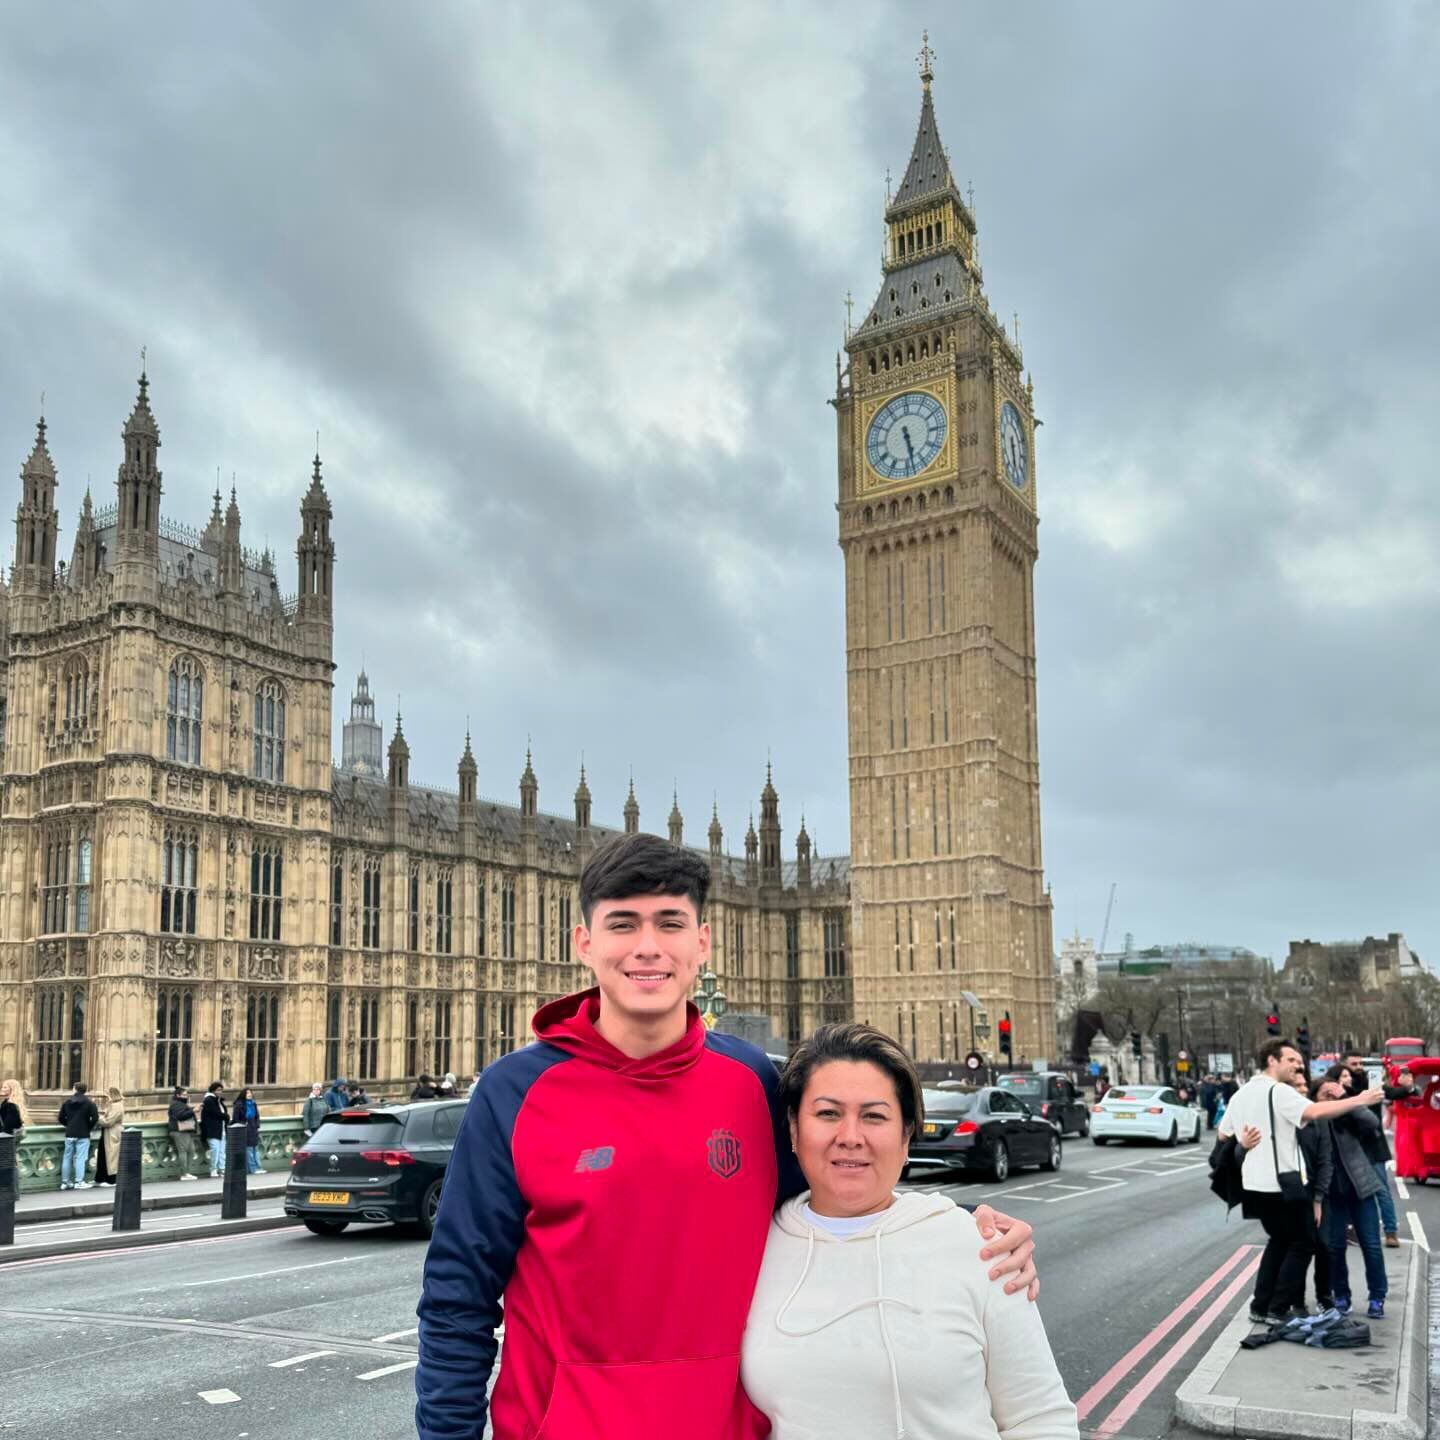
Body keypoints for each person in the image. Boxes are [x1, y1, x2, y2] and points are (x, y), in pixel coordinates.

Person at [415, 832, 1040, 1440]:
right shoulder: (515, 1093)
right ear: (584, 941)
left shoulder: (751, 1083)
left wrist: (968, 1228)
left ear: (703, 942)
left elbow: (839, 1195)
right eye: (623, 923)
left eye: (670, 922)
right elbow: (456, 1299)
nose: (648, 947)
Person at [742, 1022, 1078, 1440]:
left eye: (874, 1116)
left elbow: (1041, 1419)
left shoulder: (980, 1247)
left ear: (906, 1135)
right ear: (793, 1129)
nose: (850, 1137)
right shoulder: (750, 1250)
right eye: (828, 1113)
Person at [1219, 1039, 1383, 1324]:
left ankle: (1260, 1306)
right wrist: (1359, 1099)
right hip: (1284, 1183)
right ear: (1272, 1060)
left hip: (1254, 1185)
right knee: (1303, 1244)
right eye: (1291, 1060)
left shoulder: (1241, 1093)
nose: (1298, 1065)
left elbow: (1224, 1135)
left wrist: (1246, 1142)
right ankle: (1277, 1308)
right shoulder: (1278, 1091)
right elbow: (1315, 1111)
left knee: (1279, 1241)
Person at [1315, 1075, 1389, 1318]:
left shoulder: (1348, 1115)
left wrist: (1346, 1099)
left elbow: (1372, 1123)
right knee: (1335, 1247)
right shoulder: (1313, 1119)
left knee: (1371, 1245)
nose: (1330, 1097)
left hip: (1361, 1188)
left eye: (1332, 1092)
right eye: (1325, 1094)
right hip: (1332, 1195)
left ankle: (1377, 1297)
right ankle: (1342, 1296)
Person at [1341, 1052, 1399, 1247]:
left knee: (1382, 1190)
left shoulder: (1371, 1083)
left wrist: (1409, 1088)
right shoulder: (1341, 1088)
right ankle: (1353, 1230)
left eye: (1360, 1063)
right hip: (1352, 1148)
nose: (1357, 1067)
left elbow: (1391, 1092)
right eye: (1353, 1064)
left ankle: (1390, 1231)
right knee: (1352, 1191)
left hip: (1373, 1146)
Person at [57, 1082, 99, 1190]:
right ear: (85, 1090)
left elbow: (61, 1118)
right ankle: (78, 1182)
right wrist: (88, 1127)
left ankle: (65, 1182)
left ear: (75, 1089)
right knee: (80, 1158)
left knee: (67, 1158)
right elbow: (95, 1118)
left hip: (70, 1133)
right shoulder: (90, 1103)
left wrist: (69, 1125)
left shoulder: (67, 1102)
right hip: (83, 1134)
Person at [93, 1086, 126, 1186]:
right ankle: (100, 1178)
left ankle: (111, 1180)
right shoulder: (113, 1105)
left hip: (112, 1133)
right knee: (103, 1156)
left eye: (108, 1094)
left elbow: (109, 1121)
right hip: (108, 1133)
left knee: (111, 1157)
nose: (106, 1097)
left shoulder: (117, 1106)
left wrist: (99, 1118)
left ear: (112, 1095)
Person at [168, 1087, 199, 1179]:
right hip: (179, 1130)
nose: (186, 1097)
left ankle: (187, 1172)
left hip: (184, 1131)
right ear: (178, 1095)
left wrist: (192, 1110)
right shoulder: (177, 1104)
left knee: (191, 1150)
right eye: (184, 1095)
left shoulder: (179, 1104)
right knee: (183, 1151)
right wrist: (193, 1110)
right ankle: (184, 1173)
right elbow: (180, 1116)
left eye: (187, 1095)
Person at [232, 1087, 263, 1173]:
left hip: (253, 1128)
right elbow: (235, 1118)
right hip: (244, 1129)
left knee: (255, 1149)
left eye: (250, 1093)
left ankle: (258, 1167)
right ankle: (252, 1169)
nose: (250, 1094)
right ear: (243, 1094)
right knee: (249, 1150)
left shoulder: (253, 1104)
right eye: (247, 1093)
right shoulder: (239, 1104)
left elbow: (257, 1116)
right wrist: (243, 1123)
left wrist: (257, 1125)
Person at [200, 1081, 228, 1176]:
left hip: (221, 1130)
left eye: (221, 1090)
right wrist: (226, 1116)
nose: (220, 1092)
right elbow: (216, 1113)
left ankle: (222, 1169)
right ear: (213, 1090)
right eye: (218, 1090)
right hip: (212, 1130)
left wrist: (225, 1117)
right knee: (215, 1150)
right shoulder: (209, 1100)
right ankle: (213, 1169)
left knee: (221, 1151)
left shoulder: (218, 1100)